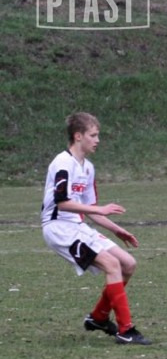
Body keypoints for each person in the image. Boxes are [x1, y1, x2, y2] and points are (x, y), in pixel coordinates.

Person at [41, 112, 151, 345]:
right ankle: (126, 330)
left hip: (76, 226)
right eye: (93, 135)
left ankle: (99, 318)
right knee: (112, 265)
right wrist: (100, 209)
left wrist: (117, 230)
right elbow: (62, 202)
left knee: (128, 264)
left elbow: (90, 209)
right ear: (78, 136)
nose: (97, 140)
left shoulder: (88, 168)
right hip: (59, 229)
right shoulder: (62, 163)